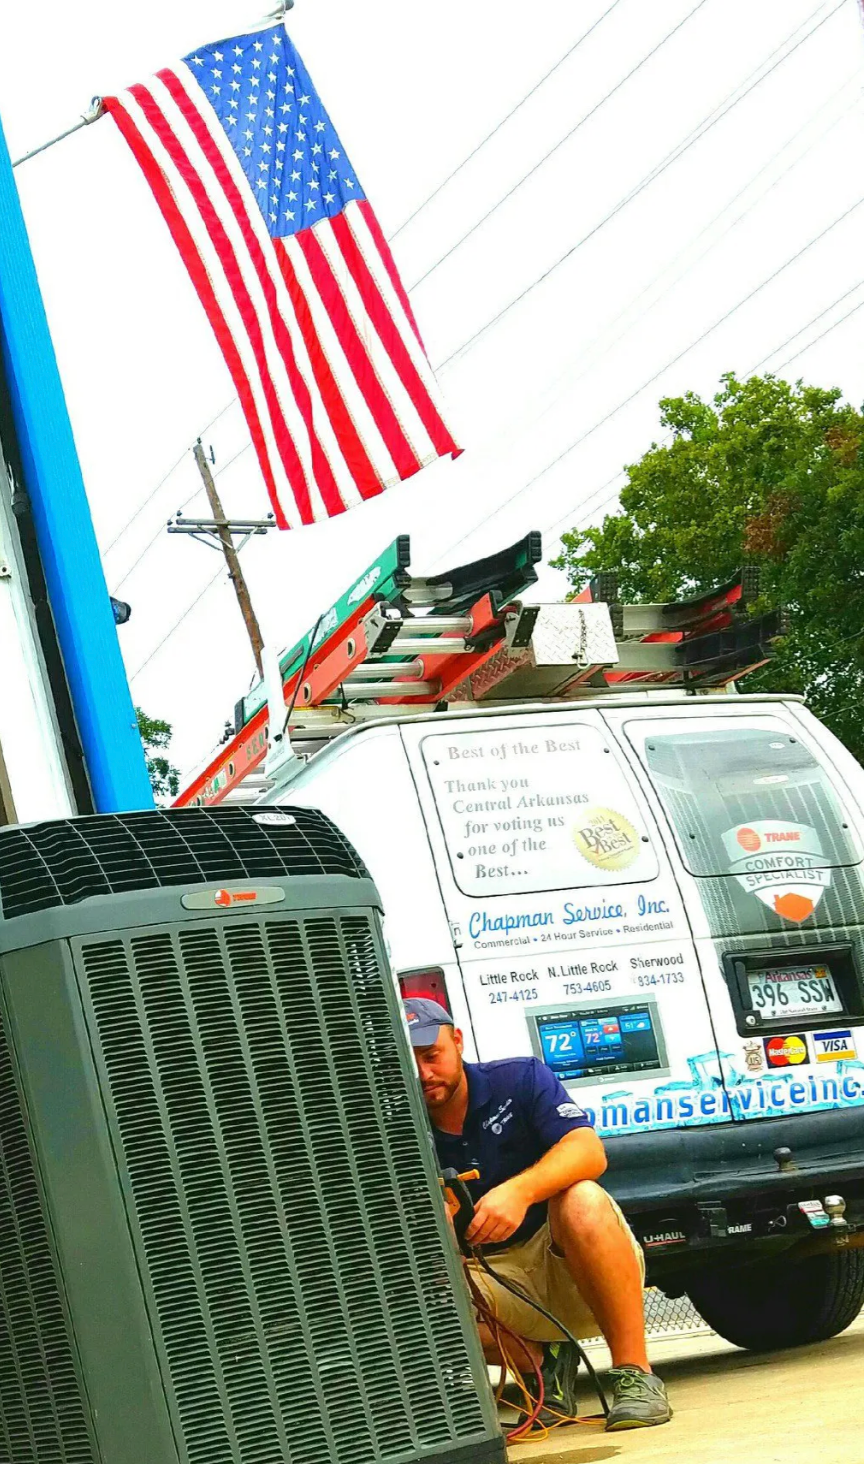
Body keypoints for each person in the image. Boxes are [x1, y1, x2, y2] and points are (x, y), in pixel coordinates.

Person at [403, 997, 671, 1432]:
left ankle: (636, 1375)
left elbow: (588, 1150)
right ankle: (544, 1365)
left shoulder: (520, 1078)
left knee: (582, 1198)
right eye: (408, 1061)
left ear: (457, 1041)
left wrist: (519, 1191)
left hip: (563, 1258)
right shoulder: (392, 1123)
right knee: (412, 1287)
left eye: (432, 1056)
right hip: (491, 1278)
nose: (424, 1074)